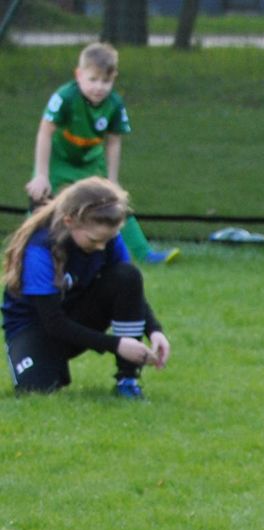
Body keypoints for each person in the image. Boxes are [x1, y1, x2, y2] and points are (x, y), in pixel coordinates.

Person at [4, 176, 169, 397]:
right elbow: (53, 322)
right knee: (35, 391)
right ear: (70, 221)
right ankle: (45, 364)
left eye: (107, 240)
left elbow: (129, 287)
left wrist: (154, 330)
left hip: (76, 317)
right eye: (94, 240)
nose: (101, 247)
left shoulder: (107, 237)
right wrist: (116, 344)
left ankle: (127, 381)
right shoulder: (40, 249)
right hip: (37, 326)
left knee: (127, 274)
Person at [24, 42, 174, 264]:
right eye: (93, 80)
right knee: (43, 202)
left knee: (113, 201)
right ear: (79, 75)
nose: (99, 87)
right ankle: (25, 247)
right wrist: (41, 174)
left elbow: (113, 142)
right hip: (59, 161)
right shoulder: (65, 97)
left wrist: (112, 180)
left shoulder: (114, 104)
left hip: (90, 161)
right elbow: (45, 132)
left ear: (114, 78)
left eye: (106, 81)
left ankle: (145, 254)